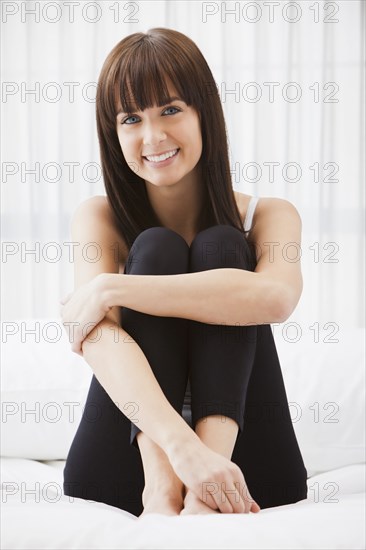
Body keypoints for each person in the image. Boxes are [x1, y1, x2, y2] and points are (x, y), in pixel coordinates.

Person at [60, 27, 308, 517]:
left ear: (205, 115)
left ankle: (205, 494)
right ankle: (163, 489)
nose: (153, 137)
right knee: (155, 247)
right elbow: (95, 336)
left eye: (170, 109)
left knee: (221, 244)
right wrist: (182, 453)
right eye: (131, 118)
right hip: (126, 463)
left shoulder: (270, 214)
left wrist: (112, 286)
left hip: (248, 463)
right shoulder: (100, 216)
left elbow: (274, 298)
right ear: (114, 133)